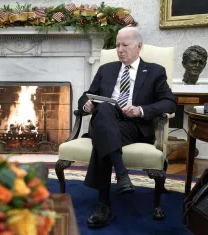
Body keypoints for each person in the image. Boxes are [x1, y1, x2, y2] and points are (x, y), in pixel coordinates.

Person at [78, 27, 176, 228]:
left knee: (104, 138)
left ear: (139, 47)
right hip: (105, 119)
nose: (119, 50)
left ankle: (103, 204)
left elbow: (169, 103)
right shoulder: (106, 69)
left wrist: (140, 110)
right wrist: (85, 105)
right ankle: (122, 175)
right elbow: (87, 95)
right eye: (117, 45)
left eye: (125, 45)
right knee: (104, 108)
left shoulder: (155, 71)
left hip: (133, 126)